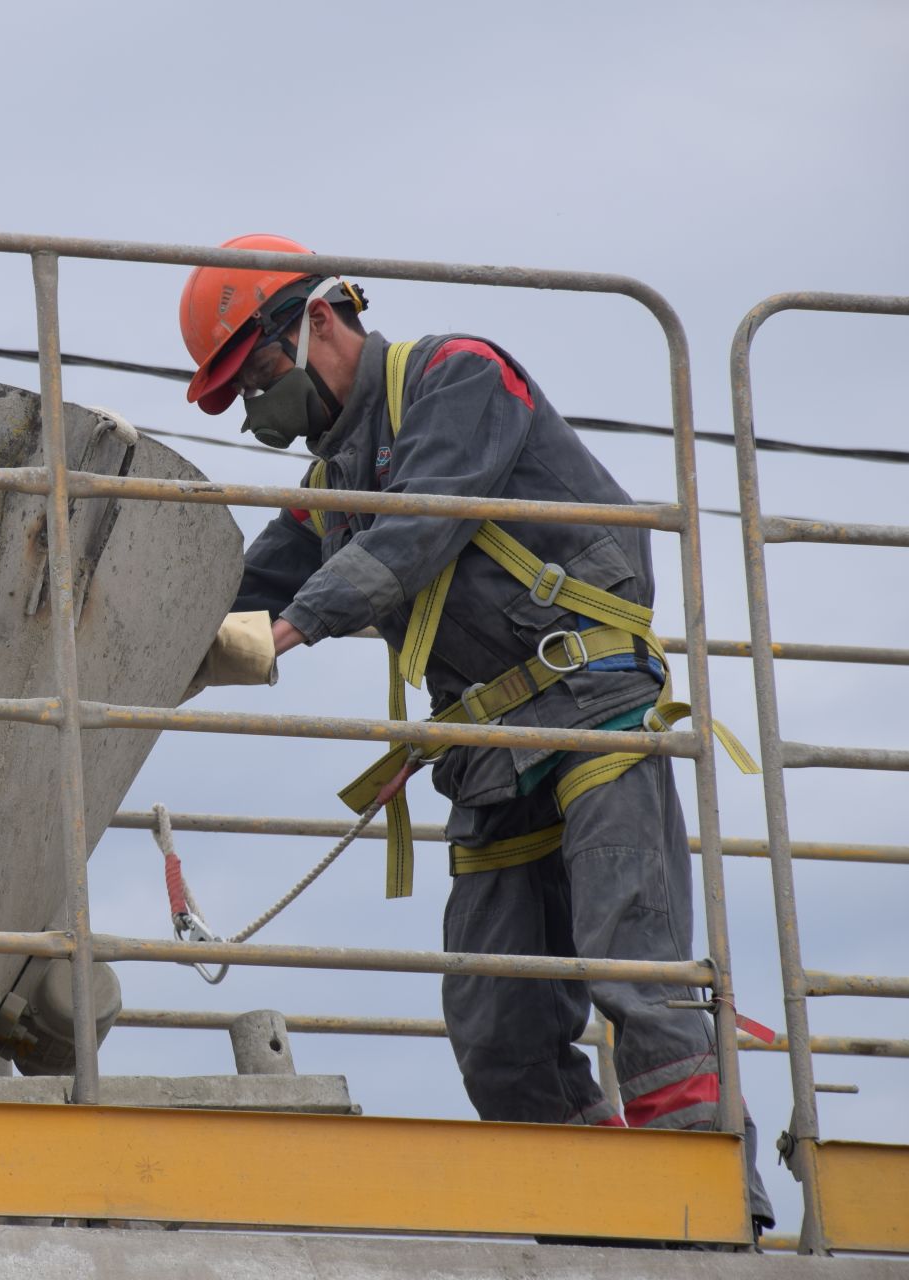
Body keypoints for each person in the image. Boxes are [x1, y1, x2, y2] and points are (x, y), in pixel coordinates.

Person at [180, 233, 773, 1231]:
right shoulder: (334, 484)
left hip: (594, 717)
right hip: (491, 760)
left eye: (263, 374)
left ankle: (707, 1216)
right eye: (241, 394)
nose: (261, 410)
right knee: (497, 1026)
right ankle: (601, 1221)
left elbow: (419, 525)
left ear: (321, 318)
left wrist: (288, 629)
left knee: (636, 974)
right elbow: (234, 582)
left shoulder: (459, 379)